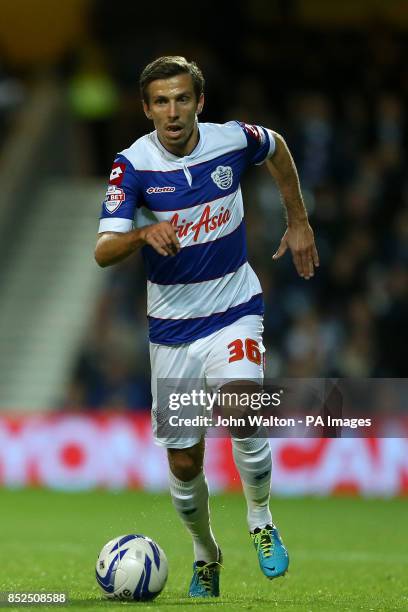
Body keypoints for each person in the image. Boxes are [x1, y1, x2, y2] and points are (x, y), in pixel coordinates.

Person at [94, 56, 319, 598]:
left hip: (234, 308)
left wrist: (298, 218)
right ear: (147, 109)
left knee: (243, 404)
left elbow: (278, 147)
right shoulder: (133, 166)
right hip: (172, 329)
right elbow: (103, 250)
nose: (173, 112)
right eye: (161, 102)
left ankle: (261, 520)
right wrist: (141, 236)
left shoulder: (231, 140)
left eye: (182, 99)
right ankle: (206, 553)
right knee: (185, 458)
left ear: (200, 102)